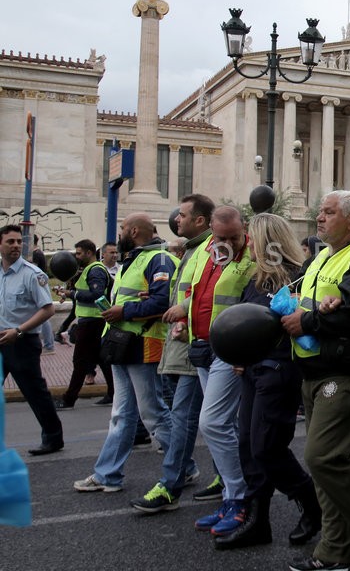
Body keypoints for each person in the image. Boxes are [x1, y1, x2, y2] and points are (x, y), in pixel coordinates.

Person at [281, 192, 350, 571]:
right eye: (320, 212)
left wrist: (306, 321)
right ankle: (333, 551)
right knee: (323, 466)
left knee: (322, 457)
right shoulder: (322, 257)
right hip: (312, 371)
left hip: (342, 374)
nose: (320, 219)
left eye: (329, 213)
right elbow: (308, 300)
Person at [213, 213, 322, 551]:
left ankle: (309, 502)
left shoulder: (294, 277)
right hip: (253, 370)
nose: (248, 247)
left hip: (278, 369)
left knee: (266, 447)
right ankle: (258, 521)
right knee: (248, 445)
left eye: (253, 241)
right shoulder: (257, 278)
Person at [73, 213, 177, 491]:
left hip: (143, 344)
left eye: (121, 230)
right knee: (123, 414)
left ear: (133, 230)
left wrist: (124, 310)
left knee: (152, 412)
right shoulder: (136, 258)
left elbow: (162, 301)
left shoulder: (159, 259)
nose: (118, 235)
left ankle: (183, 467)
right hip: (122, 344)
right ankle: (108, 475)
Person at [172, 206, 256, 537]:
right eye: (221, 237)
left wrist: (247, 350)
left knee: (213, 423)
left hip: (230, 350)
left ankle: (239, 496)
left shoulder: (256, 255)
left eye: (234, 236)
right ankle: (231, 496)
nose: (227, 243)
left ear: (243, 229)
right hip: (201, 346)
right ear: (211, 232)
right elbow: (192, 291)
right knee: (223, 425)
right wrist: (182, 318)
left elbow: (257, 302)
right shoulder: (205, 252)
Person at [129, 194, 214, 513]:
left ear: (200, 221)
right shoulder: (193, 250)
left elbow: (210, 292)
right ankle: (224, 478)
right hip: (185, 343)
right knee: (208, 420)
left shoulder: (207, 250)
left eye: (182, 215)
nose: (175, 219)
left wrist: (185, 309)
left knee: (185, 417)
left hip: (195, 344)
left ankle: (170, 484)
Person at [0, 225, 62, 455]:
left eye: (18, 242)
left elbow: (47, 310)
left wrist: (18, 331)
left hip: (21, 342)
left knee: (35, 392)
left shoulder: (32, 274)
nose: (16, 246)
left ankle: (53, 438)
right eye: (10, 242)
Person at [56, 239, 112, 409]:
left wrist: (72, 294)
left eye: (79, 253)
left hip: (92, 322)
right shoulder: (90, 269)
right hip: (91, 321)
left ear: (89, 253)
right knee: (101, 359)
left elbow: (97, 295)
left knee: (79, 361)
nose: (76, 257)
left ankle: (68, 399)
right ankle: (113, 393)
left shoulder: (95, 270)